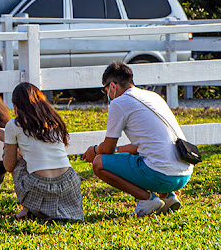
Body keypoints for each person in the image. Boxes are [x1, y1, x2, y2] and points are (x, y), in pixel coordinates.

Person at [83, 61, 193, 217]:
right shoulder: (152, 96)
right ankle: (167, 196)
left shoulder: (119, 103)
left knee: (98, 163)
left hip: (161, 175)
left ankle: (147, 200)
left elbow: (106, 149)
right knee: (149, 154)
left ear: (113, 86)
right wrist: (118, 151)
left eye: (105, 90)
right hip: (183, 175)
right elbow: (140, 146)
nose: (106, 95)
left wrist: (93, 150)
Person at [0, 82, 83, 222]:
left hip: (39, 187)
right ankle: (51, 212)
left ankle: (29, 208)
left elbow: (9, 165)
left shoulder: (14, 125)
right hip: (70, 182)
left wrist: (6, 140)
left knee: (19, 162)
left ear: (16, 106)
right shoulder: (54, 120)